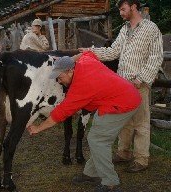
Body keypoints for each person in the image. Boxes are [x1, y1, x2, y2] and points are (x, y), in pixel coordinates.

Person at [27, 51, 141, 191]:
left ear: (70, 71)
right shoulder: (85, 62)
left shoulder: (81, 86)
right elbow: (88, 53)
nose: (58, 81)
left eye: (60, 76)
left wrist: (38, 128)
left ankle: (110, 182)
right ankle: (91, 173)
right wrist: (67, 59)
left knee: (98, 140)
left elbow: (61, 113)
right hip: (121, 96)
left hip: (124, 103)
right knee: (97, 138)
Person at [79, 0, 163, 173]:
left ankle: (141, 159)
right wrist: (90, 51)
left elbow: (155, 57)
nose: (120, 13)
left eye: (123, 9)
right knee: (124, 121)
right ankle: (123, 153)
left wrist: (141, 78)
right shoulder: (125, 29)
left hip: (139, 84)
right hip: (122, 85)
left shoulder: (151, 28)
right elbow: (113, 52)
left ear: (133, 7)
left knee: (141, 122)